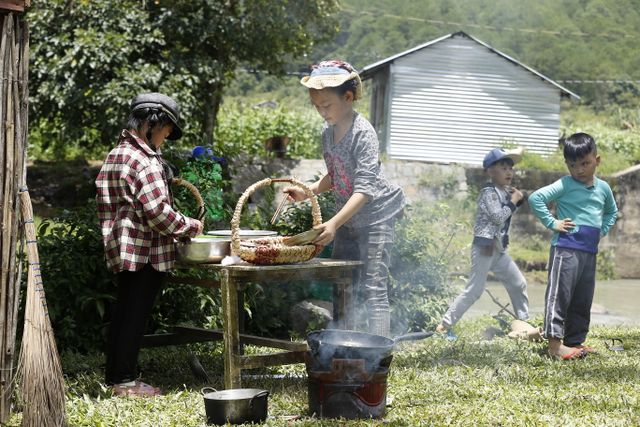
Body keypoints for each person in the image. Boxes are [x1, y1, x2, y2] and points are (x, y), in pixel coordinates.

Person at [284, 60, 406, 337]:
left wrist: (333, 224)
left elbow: (364, 189)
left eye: (326, 105)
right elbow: (336, 174)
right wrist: (309, 191)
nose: (321, 112)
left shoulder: (363, 134)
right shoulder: (327, 134)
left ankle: (379, 354)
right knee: (342, 281)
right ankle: (343, 343)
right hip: (347, 219)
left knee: (374, 286)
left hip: (376, 217)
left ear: (348, 97)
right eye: (317, 106)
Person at [95, 92, 203, 396]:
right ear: (153, 123)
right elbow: (157, 213)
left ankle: (116, 378)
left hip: (123, 248)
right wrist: (189, 226)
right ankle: (126, 382)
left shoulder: (116, 155)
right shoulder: (145, 161)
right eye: (167, 130)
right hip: (146, 253)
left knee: (123, 313)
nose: (166, 138)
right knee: (135, 316)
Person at [529, 132, 617, 360]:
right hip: (565, 250)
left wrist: (602, 230)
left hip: (589, 252)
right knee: (559, 296)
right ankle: (554, 345)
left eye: (585, 163)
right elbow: (536, 198)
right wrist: (552, 222)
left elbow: (611, 212)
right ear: (567, 165)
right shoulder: (565, 184)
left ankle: (575, 341)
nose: (579, 170)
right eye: (573, 165)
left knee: (582, 298)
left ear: (597, 160)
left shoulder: (603, 188)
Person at [436, 148, 529, 337]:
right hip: (484, 248)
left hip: (498, 249)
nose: (509, 172)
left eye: (510, 168)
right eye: (503, 168)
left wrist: (515, 201)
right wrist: (513, 202)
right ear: (490, 171)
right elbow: (497, 217)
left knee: (518, 283)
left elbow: (505, 216)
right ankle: (445, 325)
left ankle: (523, 323)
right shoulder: (489, 192)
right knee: (475, 290)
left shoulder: (503, 192)